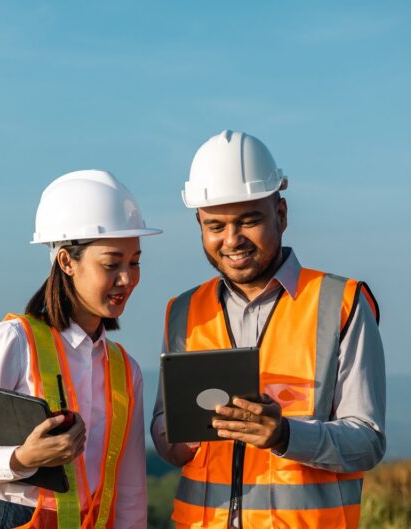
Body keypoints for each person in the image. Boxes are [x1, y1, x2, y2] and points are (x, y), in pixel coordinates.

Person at [151, 130, 386, 529]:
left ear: (281, 214)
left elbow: (367, 441)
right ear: (199, 224)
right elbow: (163, 429)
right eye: (215, 226)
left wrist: (285, 436)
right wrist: (180, 437)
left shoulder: (340, 302)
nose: (231, 240)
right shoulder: (183, 311)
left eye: (248, 221)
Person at [0, 169, 160, 529]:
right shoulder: (13, 343)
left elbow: (130, 490)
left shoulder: (125, 370)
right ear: (67, 261)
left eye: (135, 262)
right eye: (111, 264)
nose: (127, 278)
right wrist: (20, 458)